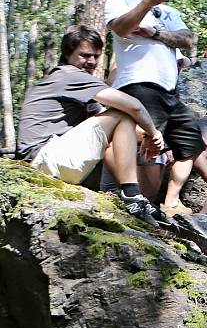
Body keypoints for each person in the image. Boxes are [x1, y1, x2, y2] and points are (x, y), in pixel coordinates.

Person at [104, 0, 207, 218]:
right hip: (138, 83)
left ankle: (179, 198)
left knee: (190, 141)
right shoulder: (120, 0)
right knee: (142, 142)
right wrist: (147, 4)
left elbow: (188, 39)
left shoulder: (169, 11)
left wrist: (155, 33)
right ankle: (133, 196)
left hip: (170, 90)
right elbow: (120, 27)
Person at [15, 25, 167, 225]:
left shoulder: (76, 85)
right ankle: (131, 195)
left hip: (49, 160)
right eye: (85, 55)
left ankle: (127, 196)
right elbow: (133, 106)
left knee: (119, 124)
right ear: (68, 54)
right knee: (123, 113)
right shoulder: (70, 75)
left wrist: (153, 141)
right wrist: (154, 133)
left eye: (96, 56)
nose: (91, 62)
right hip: (43, 159)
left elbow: (122, 130)